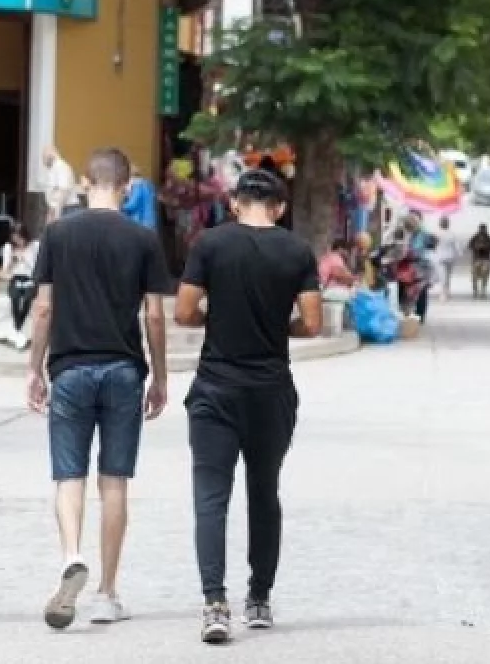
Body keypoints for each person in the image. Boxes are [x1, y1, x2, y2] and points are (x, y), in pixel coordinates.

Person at [176, 169, 323, 645]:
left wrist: (218, 318)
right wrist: (279, 327)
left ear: (235, 203)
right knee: (264, 491)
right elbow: (313, 323)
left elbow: (183, 312)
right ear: (279, 208)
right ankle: (259, 597)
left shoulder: (209, 245)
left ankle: (214, 604)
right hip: (270, 390)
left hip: (215, 388)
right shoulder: (297, 251)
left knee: (210, 497)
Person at [25, 148, 171, 631]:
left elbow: (43, 308)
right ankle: (107, 593)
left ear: (86, 183)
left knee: (69, 476)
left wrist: (34, 368)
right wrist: (160, 376)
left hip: (70, 368)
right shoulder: (143, 238)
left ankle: (72, 556)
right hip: (124, 369)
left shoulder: (58, 234)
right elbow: (154, 315)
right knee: (114, 482)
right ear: (128, 188)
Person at [1, 222, 40, 350]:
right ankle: (18, 330)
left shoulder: (34, 246)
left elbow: (36, 266)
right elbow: (6, 269)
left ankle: (18, 329)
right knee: (15, 299)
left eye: (20, 238)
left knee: (28, 299)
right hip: (16, 277)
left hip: (30, 277)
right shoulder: (8, 247)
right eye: (15, 238)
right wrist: (13, 259)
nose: (17, 241)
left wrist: (25, 258)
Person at [43, 145, 79, 224]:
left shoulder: (61, 167)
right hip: (60, 209)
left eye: (44, 155)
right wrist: (51, 211)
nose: (43, 159)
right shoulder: (54, 168)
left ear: (52, 153)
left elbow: (63, 191)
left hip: (66, 209)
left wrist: (57, 214)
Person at [432, 215, 460, 301]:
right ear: (448, 224)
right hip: (450, 257)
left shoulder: (436, 234)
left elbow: (432, 245)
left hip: (440, 257)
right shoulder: (452, 234)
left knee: (442, 275)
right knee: (448, 275)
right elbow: (457, 246)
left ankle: (443, 293)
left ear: (440, 224)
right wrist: (458, 254)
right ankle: (447, 291)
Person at [467, 224, 490, 299]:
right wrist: (477, 247)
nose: (482, 231)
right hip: (477, 259)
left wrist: (485, 247)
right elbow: (470, 246)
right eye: (482, 229)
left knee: (484, 275)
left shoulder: (488, 238)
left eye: (483, 229)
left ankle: (482, 290)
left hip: (485, 259)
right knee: (475, 276)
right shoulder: (475, 237)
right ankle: (476, 290)